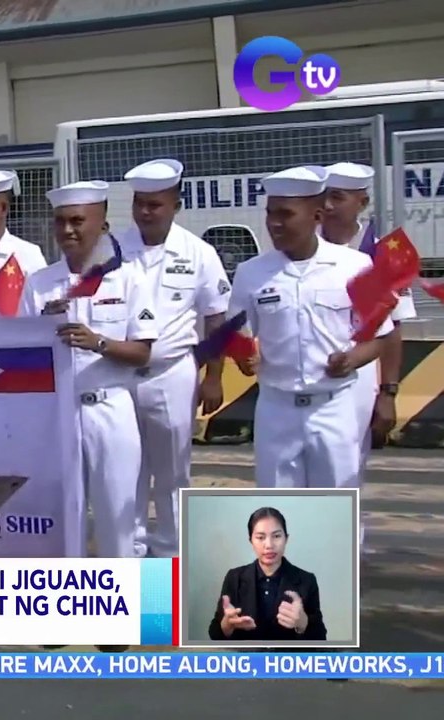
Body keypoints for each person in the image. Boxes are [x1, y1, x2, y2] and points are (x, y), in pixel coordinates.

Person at [228, 166, 391, 489]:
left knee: (336, 512)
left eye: (286, 214)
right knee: (280, 514)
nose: (275, 223)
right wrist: (245, 358)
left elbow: (380, 336)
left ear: (316, 215)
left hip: (333, 408)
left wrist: (352, 359)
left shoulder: (355, 266)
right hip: (276, 409)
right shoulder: (251, 273)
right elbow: (237, 335)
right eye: (270, 213)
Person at [19, 181, 157, 562]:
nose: (68, 231)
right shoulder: (41, 283)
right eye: (60, 222)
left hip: (109, 409)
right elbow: (19, 351)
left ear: (102, 224)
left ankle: (135, 612)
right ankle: (74, 609)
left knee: (118, 519)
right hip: (58, 414)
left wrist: (99, 342)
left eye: (78, 221)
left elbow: (143, 352)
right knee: (65, 520)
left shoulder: (129, 279)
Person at [116, 159, 232, 559]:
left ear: (175, 205)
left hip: (172, 373)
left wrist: (215, 377)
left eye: (155, 204)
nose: (146, 212)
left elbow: (217, 319)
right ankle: (128, 549)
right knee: (125, 469)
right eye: (140, 203)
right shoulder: (112, 251)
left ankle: (170, 551)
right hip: (119, 375)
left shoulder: (198, 252)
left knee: (172, 472)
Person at [320, 162, 413, 474]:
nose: (328, 206)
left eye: (338, 197)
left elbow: (392, 330)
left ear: (362, 202)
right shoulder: (300, 250)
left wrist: (388, 393)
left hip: (359, 381)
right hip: (305, 381)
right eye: (323, 197)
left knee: (346, 475)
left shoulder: (381, 256)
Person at [208, 506, 327, 642]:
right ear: (251, 541)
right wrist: (226, 625)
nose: (269, 545)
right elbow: (214, 634)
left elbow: (321, 639)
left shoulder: (307, 580)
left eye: (276, 536)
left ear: (286, 539)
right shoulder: (234, 578)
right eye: (260, 537)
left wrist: (303, 624)